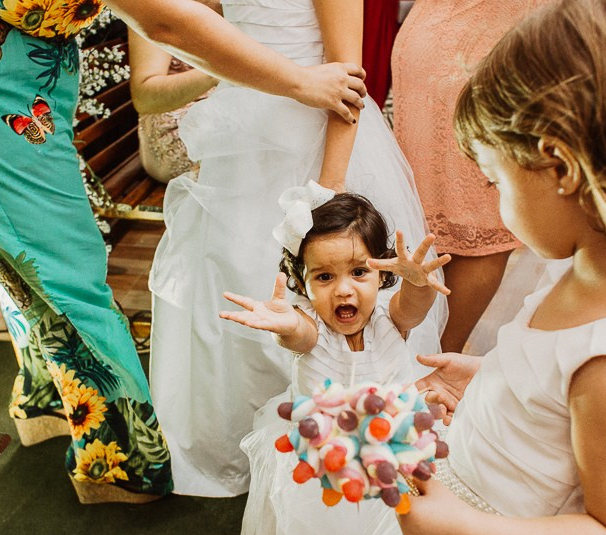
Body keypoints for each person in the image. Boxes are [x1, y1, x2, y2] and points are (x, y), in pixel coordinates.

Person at [0, 0, 365, 504]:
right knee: (57, 255)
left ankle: (51, 400)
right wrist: (299, 80)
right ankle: (121, 460)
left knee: (18, 243)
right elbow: (164, 20)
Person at [332, 0, 606, 535]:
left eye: (495, 180)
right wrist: (498, 379)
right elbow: (562, 383)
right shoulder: (590, 268)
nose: (495, 202)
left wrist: (461, 534)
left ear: (561, 168)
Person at [148, 0, 445, 497]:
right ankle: (261, 451)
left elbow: (347, 79)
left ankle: (348, 443)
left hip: (313, 142)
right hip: (243, 142)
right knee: (237, 285)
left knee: (333, 295)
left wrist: (323, 198)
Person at [223, 192, 449, 535]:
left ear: (381, 274)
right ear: (304, 286)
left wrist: (418, 283)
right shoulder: (314, 332)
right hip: (327, 468)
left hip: (392, 455)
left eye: (358, 272)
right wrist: (285, 323)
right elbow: (298, 334)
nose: (343, 291)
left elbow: (413, 306)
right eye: (324, 277)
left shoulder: (390, 321)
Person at [391, 0, 552, 353]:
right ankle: (432, 363)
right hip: (479, 57)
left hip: (443, 45)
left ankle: (418, 360)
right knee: (480, 225)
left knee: (452, 223)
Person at [128, 29, 217, 182]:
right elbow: (145, 99)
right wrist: (223, 71)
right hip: (177, 128)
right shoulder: (154, 6)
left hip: (228, 106)